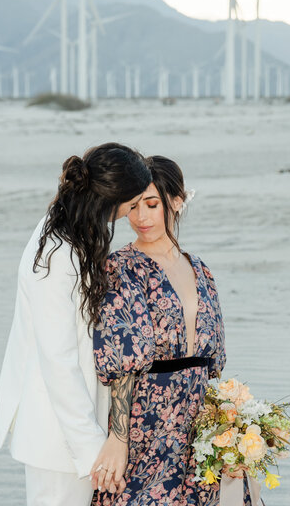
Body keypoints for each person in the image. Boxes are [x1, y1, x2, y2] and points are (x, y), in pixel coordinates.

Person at [0, 142, 151, 506]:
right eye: (130, 205)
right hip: (58, 436)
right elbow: (57, 359)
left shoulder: (71, 231)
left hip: (72, 429)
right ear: (111, 199)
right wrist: (92, 445)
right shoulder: (56, 253)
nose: (131, 215)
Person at [90, 155, 253, 505]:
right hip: (148, 421)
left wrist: (230, 430)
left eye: (151, 204)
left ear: (177, 201)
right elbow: (122, 360)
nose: (140, 218)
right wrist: (118, 440)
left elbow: (215, 365)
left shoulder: (201, 270)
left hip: (199, 424)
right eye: (132, 207)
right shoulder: (120, 268)